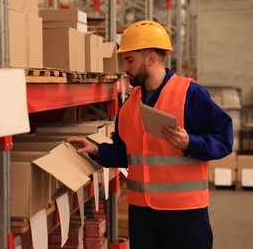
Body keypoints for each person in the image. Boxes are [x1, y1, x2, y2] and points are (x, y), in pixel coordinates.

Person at [67, 20, 233, 249]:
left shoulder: (189, 93)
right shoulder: (129, 105)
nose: (124, 67)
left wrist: (190, 142)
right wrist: (96, 149)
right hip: (142, 214)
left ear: (151, 59)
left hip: (184, 213)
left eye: (129, 60)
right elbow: (124, 154)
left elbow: (224, 140)